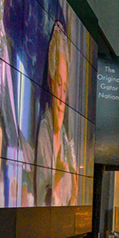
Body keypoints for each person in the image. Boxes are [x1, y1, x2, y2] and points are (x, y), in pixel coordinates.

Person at [35, 22, 78, 206]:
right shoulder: (44, 132)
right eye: (58, 85)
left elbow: (74, 197)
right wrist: (59, 178)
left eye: (65, 87)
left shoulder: (67, 140)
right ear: (51, 83)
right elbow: (42, 200)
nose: (61, 96)